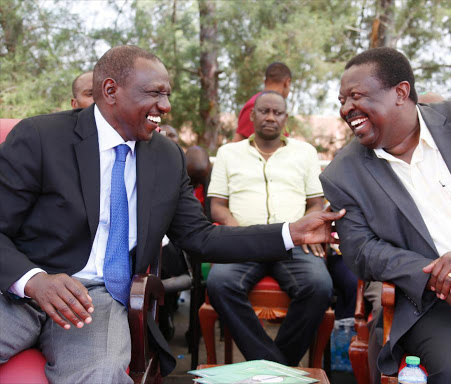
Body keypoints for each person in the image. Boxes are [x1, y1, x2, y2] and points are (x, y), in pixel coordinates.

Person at [0, 45, 344, 384]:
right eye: (154, 94)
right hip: (16, 291)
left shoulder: (166, 157)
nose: (165, 106)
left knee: (101, 374)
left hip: (95, 303)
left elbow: (200, 237)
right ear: (110, 91)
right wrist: (33, 280)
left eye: (167, 95)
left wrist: (291, 233)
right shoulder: (41, 137)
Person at [320, 47, 451, 384]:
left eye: (356, 96)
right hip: (439, 304)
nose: (346, 108)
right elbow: (362, 250)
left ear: (400, 92)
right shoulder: (342, 173)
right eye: (342, 101)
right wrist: (444, 278)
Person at [206, 91, 333, 366]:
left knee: (319, 286)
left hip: (292, 242)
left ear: (285, 118)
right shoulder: (228, 153)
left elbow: (316, 203)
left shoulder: (305, 152)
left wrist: (307, 228)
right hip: (243, 243)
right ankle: (275, 368)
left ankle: (271, 369)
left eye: (277, 112)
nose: (271, 117)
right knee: (219, 283)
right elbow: (217, 205)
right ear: (252, 116)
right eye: (264, 111)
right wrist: (234, 230)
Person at [232, 62, 292, 142]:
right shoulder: (255, 105)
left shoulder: (279, 108)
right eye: (264, 111)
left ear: (265, 81)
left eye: (277, 113)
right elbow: (238, 142)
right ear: (287, 83)